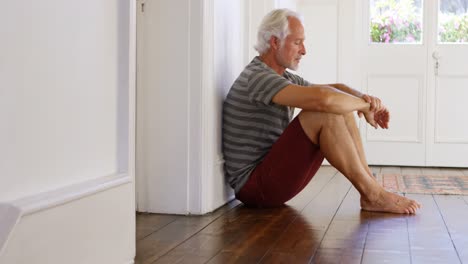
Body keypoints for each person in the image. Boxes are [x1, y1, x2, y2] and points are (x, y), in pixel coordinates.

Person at [222, 8, 421, 214]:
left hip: (271, 178)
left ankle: (372, 189)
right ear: (274, 42)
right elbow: (324, 99)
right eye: (297, 42)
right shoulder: (258, 78)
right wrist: (363, 106)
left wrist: (365, 99)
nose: (304, 50)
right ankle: (373, 195)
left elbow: (332, 90)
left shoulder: (283, 77)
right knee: (323, 110)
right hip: (255, 188)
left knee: (338, 107)